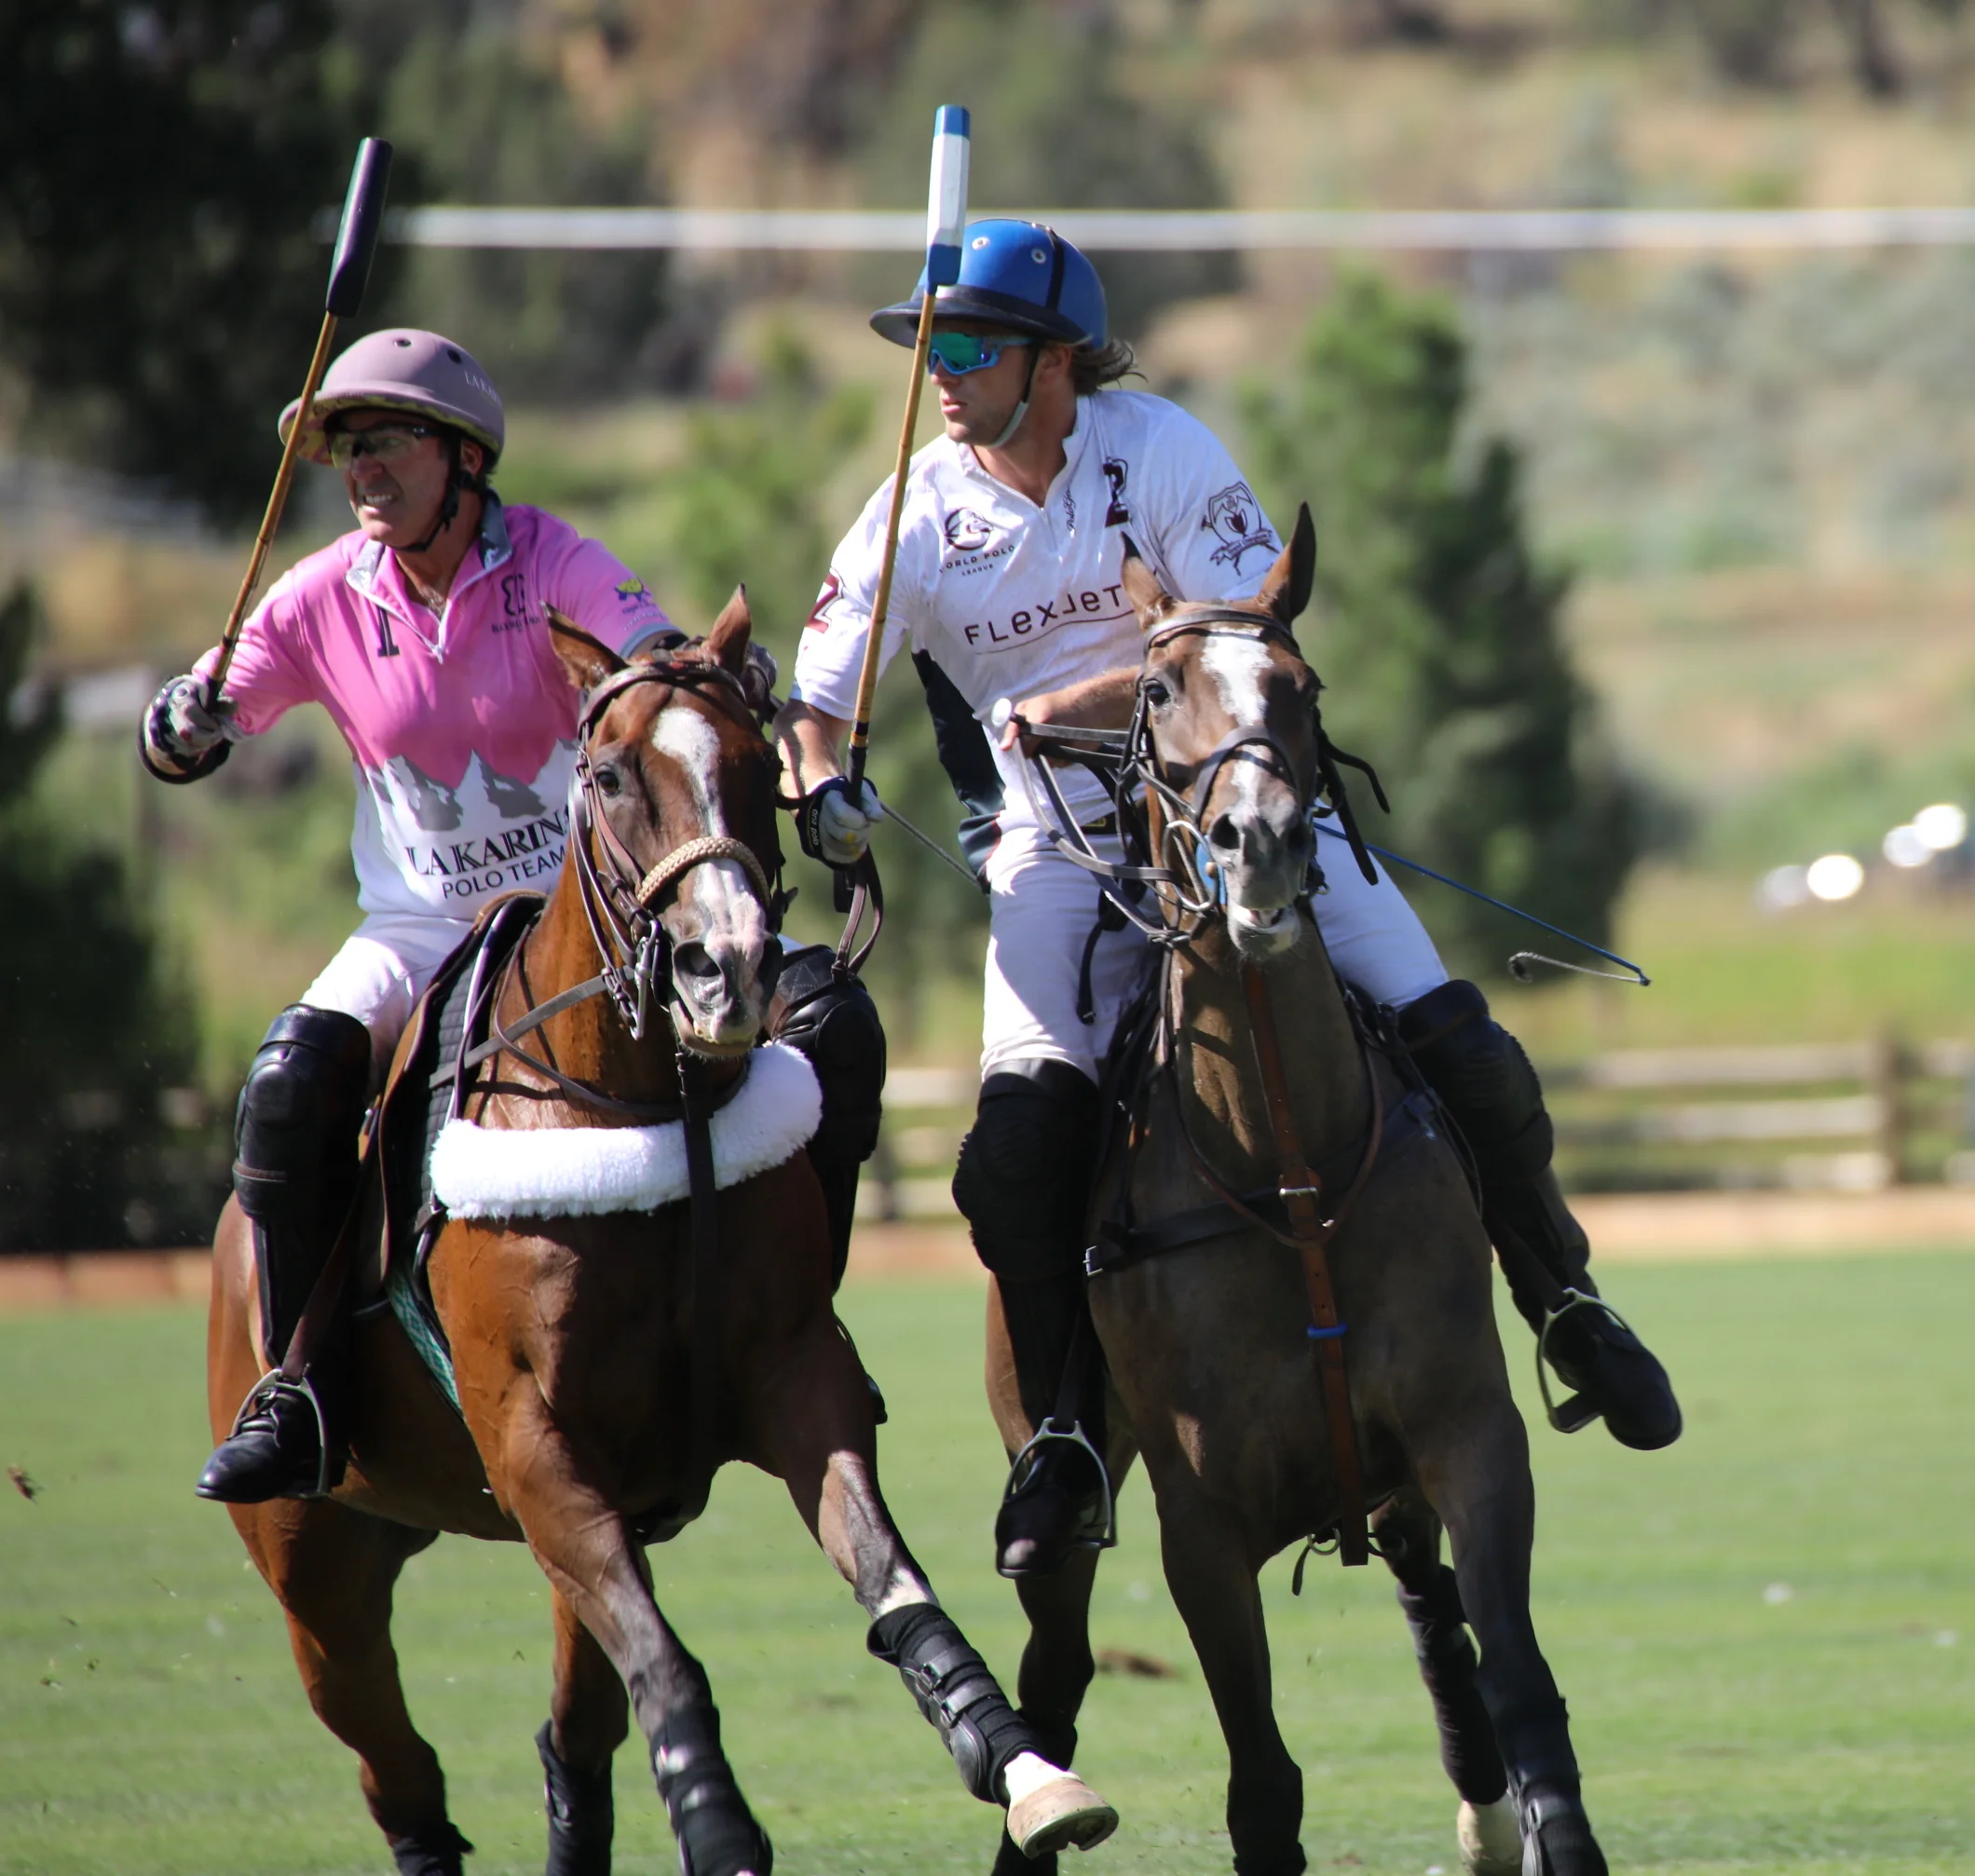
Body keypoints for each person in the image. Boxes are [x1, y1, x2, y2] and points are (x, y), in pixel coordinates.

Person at [774, 223, 1682, 1581]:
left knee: (1467, 1049)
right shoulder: (910, 508)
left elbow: (1249, 633)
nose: (940, 374)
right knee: (1020, 1154)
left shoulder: (1167, 453)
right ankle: (1066, 1439)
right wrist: (821, 785)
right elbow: (814, 702)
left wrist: (1059, 702)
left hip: (1243, 814)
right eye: (927, 349)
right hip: (1058, 846)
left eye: (966, 347)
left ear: (1056, 359)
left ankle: (1564, 1302)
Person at [143, 329, 687, 1504]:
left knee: (785, 1031)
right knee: (288, 1085)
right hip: (419, 930)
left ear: (462, 455)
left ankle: (771, 1333)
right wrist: (179, 721)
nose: (362, 471)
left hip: (576, 931)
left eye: (385, 442)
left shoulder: (550, 561)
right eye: (347, 451)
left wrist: (668, 670)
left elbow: (653, 660)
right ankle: (295, 1387)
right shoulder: (320, 596)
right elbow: (201, 717)